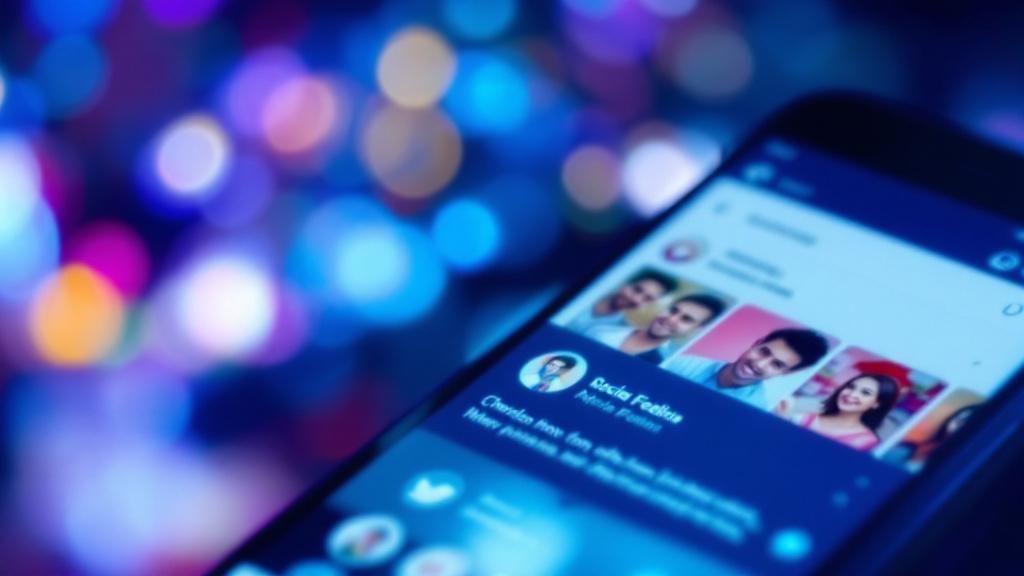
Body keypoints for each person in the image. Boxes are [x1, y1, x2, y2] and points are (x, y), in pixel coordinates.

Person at [663, 328, 829, 409]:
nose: (759, 364)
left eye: (776, 364)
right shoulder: (682, 363)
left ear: (785, 373)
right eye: (763, 352)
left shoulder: (756, 409)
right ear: (755, 344)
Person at [584, 294, 727, 363]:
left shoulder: (666, 364)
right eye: (673, 310)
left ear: (697, 329)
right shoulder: (602, 331)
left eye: (686, 319)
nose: (671, 319)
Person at [779, 374, 901, 451]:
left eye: (865, 393)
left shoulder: (867, 443)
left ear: (877, 404)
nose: (852, 394)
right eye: (851, 387)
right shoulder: (802, 418)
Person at [567, 270, 677, 332]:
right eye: (637, 290)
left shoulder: (619, 330)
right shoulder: (578, 295)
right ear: (624, 283)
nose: (636, 299)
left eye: (647, 299)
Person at [887, 404, 978, 469]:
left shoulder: (957, 465)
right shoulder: (906, 447)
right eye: (960, 421)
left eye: (969, 423)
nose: (961, 426)